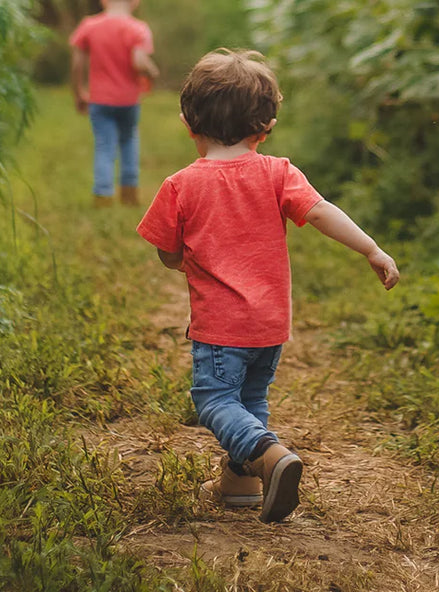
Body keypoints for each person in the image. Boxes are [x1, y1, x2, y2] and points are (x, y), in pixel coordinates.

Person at [136, 48, 399, 523]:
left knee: (215, 400)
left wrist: (180, 261)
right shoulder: (279, 173)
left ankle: (269, 456)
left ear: (187, 123)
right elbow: (321, 211)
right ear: (267, 126)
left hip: (221, 326)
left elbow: (167, 251)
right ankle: (240, 484)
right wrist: (371, 249)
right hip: (271, 323)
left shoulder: (180, 185)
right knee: (251, 400)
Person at [69, 0, 158, 206]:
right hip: (128, 100)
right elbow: (139, 61)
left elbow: (77, 64)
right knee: (129, 142)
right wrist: (152, 71)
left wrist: (79, 92)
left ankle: (103, 194)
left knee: (105, 146)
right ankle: (129, 194)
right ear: (135, 0)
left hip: (99, 100)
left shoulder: (89, 26)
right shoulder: (138, 29)